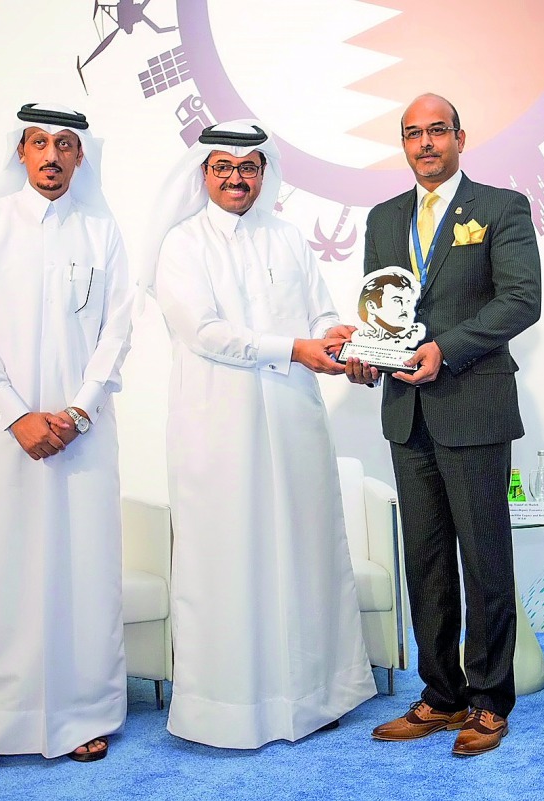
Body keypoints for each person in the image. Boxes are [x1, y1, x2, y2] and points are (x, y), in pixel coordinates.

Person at [142, 121, 376, 749]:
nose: (237, 178)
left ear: (263, 174)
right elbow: (204, 332)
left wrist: (340, 337)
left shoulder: (289, 238)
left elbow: (319, 310)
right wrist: (295, 349)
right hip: (219, 426)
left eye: (249, 168)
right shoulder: (181, 245)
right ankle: (228, 707)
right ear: (204, 174)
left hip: (294, 420)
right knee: (228, 558)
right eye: (224, 168)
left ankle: (312, 698)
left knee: (302, 550)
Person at [0, 102, 134, 776]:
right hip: (0, 434)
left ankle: (82, 714)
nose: (51, 156)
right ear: (20, 151)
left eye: (65, 144)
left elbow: (116, 332)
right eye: (39, 143)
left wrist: (75, 411)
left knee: (79, 570)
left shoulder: (103, 232)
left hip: (80, 434)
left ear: (82, 155)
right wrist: (18, 414)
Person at [346, 94, 542, 757]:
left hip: (472, 404)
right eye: (412, 134)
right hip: (407, 411)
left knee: (484, 560)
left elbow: (522, 299)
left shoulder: (500, 208)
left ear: (460, 136)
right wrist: (367, 352)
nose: (425, 142)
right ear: (402, 144)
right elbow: (385, 310)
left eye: (436, 131)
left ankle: (489, 701)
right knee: (426, 561)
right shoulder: (382, 218)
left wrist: (447, 348)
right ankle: (440, 695)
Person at [357, 271, 424, 345]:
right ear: (371, 306)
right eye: (397, 301)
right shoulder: (357, 339)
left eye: (408, 301)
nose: (405, 309)